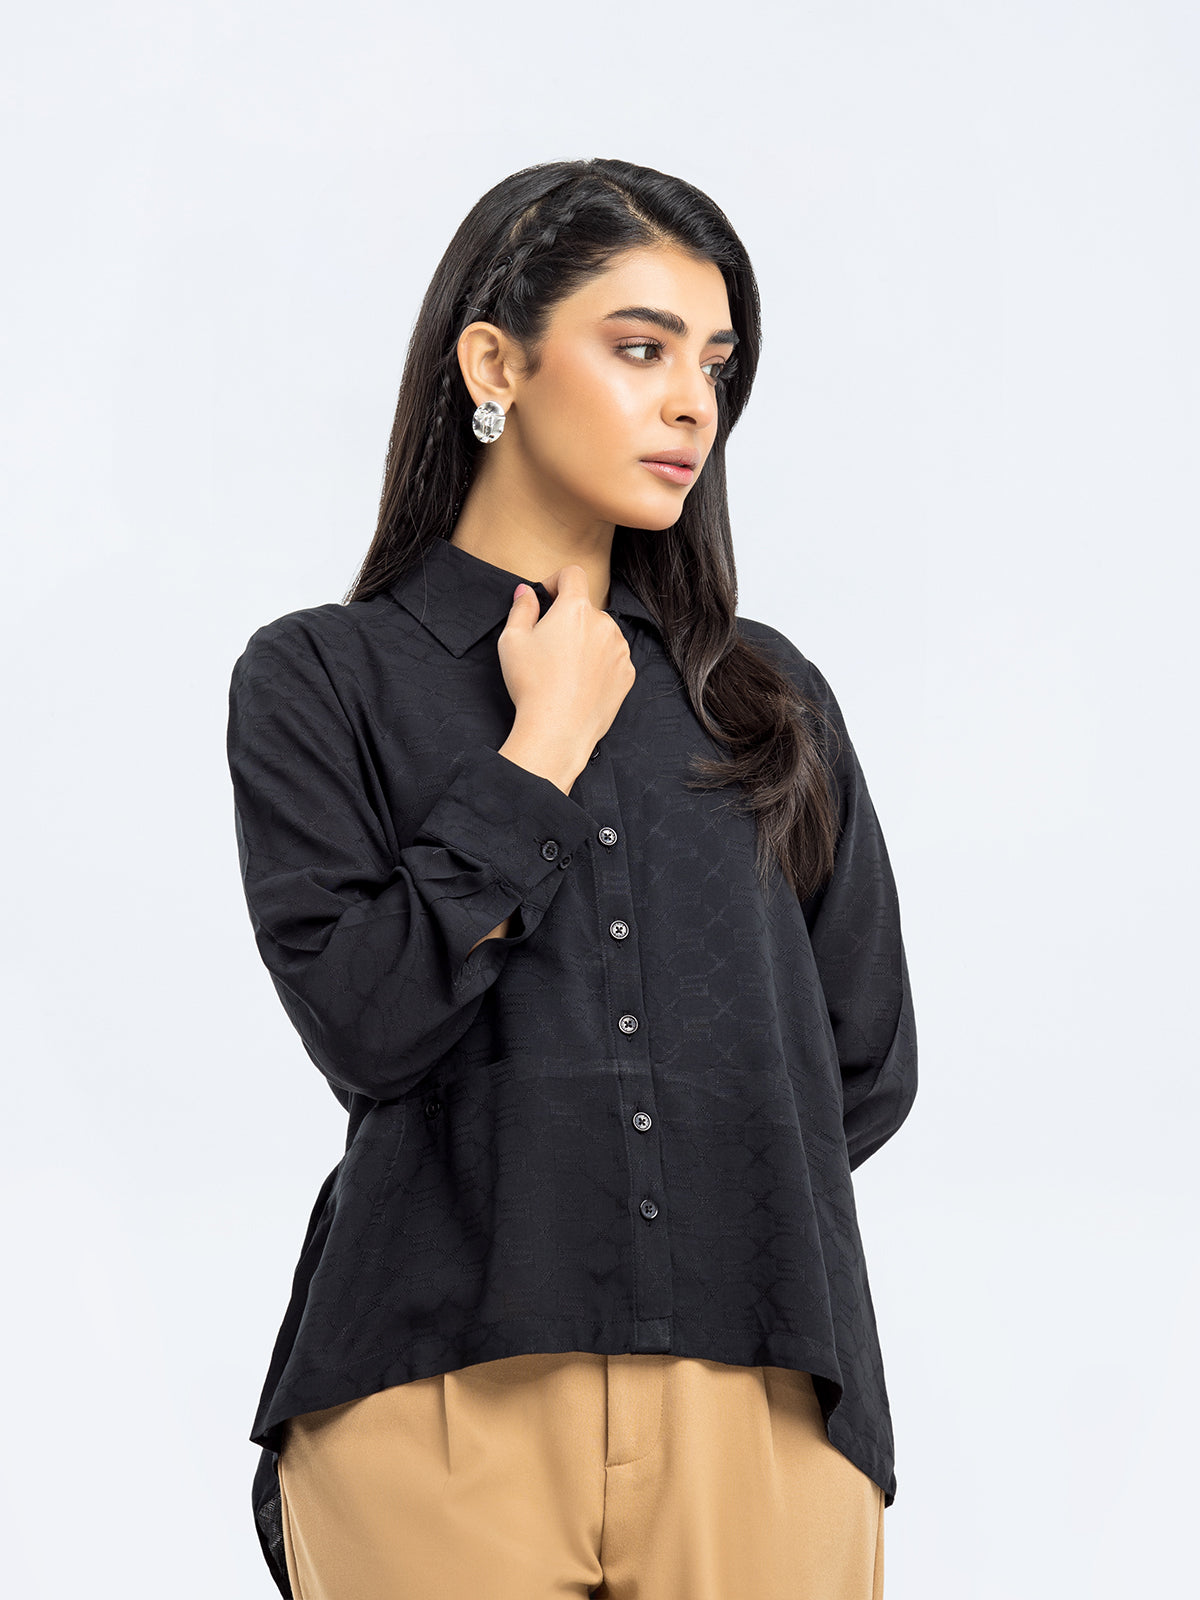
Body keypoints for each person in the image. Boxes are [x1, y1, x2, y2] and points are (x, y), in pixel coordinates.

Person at [226, 156, 918, 1600]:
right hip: (433, 1399)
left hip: (761, 1408)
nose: (692, 405)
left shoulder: (768, 700)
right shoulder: (323, 679)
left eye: (714, 364)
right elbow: (368, 1025)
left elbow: (860, 1065)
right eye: (641, 348)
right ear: (497, 364)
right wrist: (537, 751)